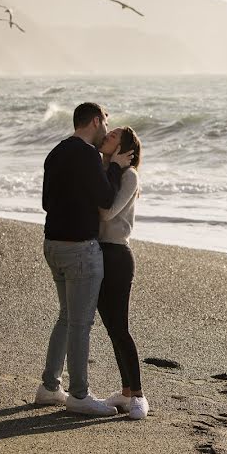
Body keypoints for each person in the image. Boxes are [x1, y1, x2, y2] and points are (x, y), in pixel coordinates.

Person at [34, 102, 133, 416]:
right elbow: (105, 200)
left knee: (66, 317)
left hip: (53, 245)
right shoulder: (89, 155)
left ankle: (50, 387)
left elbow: (46, 202)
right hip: (80, 248)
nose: (106, 127)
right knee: (80, 323)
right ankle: (79, 394)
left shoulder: (56, 152)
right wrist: (115, 167)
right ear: (94, 121)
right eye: (106, 121)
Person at [95, 127, 149, 420]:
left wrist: (113, 169)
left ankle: (139, 395)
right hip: (95, 252)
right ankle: (126, 392)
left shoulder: (128, 176)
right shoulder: (103, 169)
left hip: (116, 255)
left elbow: (107, 212)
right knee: (110, 328)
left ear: (124, 149)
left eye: (113, 136)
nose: (106, 136)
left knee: (121, 327)